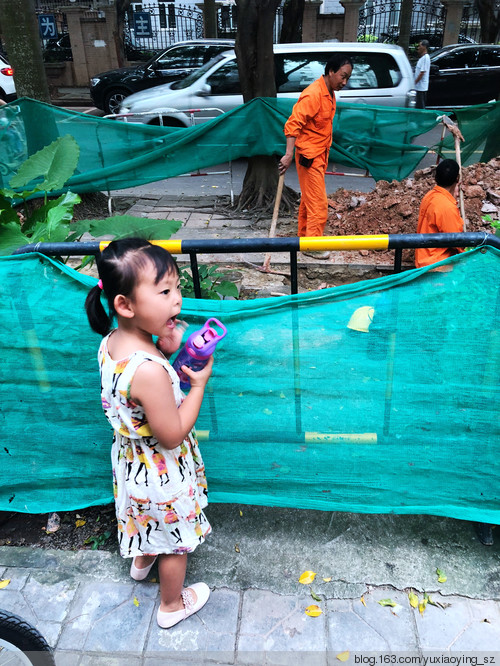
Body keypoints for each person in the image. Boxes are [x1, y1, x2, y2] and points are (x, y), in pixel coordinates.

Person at [85, 237, 213, 629]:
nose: (176, 300)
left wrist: (166, 347)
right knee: (176, 540)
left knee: (144, 516)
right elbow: (172, 433)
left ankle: (141, 562)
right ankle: (171, 605)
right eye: (164, 291)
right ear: (125, 304)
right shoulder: (150, 371)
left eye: (176, 288)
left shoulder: (112, 344)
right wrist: (198, 385)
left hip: (131, 462)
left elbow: (139, 401)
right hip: (161, 469)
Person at [278, 54, 353, 260]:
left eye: (347, 78)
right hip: (309, 158)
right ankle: (313, 246)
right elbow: (293, 125)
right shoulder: (313, 94)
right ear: (331, 71)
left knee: (309, 202)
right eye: (342, 76)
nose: (344, 82)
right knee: (319, 205)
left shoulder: (329, 92)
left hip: (319, 154)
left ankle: (304, 238)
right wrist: (287, 154)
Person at [415, 158, 465, 268]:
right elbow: (457, 242)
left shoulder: (430, 196)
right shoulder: (446, 206)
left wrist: (453, 193)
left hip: (425, 261)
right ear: (457, 178)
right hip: (439, 265)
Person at [414, 40, 430, 109]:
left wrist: (415, 82)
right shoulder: (422, 58)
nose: (418, 48)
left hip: (421, 88)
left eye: (420, 46)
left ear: (424, 47)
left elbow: (422, 73)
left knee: (420, 106)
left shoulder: (425, 58)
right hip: (418, 87)